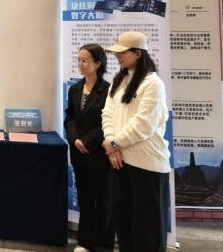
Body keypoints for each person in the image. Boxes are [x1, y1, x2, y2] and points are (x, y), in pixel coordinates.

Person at [102, 31, 170, 252]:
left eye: (123, 52)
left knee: (147, 229)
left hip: (146, 164)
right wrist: (111, 142)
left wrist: (115, 143)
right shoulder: (119, 80)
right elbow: (108, 113)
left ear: (138, 53)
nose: (117, 56)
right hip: (119, 160)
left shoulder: (153, 83)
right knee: (124, 225)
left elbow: (144, 124)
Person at [64, 44, 114, 252]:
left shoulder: (108, 90)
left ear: (98, 63)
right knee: (85, 198)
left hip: (99, 153)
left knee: (103, 200)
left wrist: (87, 140)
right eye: (79, 60)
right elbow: (70, 118)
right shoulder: (75, 89)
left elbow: (109, 121)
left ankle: (103, 244)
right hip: (79, 153)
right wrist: (75, 139)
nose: (81, 64)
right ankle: (84, 242)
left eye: (85, 60)